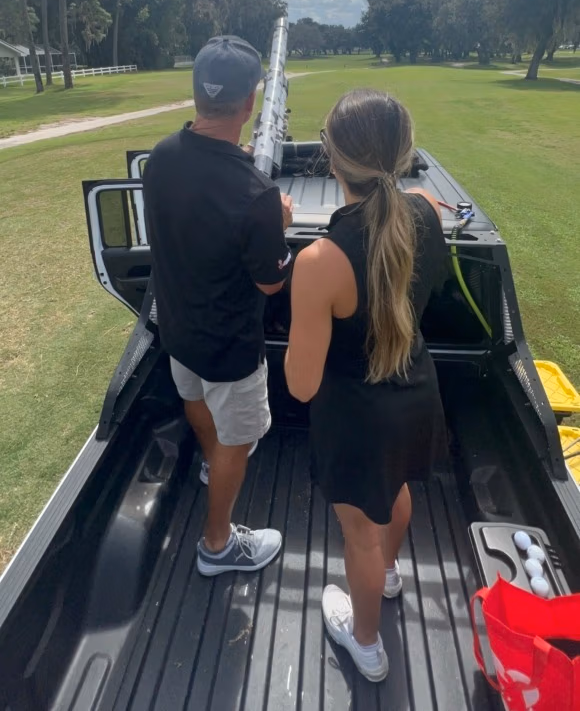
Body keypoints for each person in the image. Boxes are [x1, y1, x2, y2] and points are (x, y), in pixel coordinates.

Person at [284, 88, 447, 683]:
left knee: (360, 535)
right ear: (404, 152)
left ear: (332, 159)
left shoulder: (319, 262)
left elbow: (302, 387)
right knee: (395, 492)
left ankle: (367, 645)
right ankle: (389, 574)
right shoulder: (428, 209)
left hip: (357, 419)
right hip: (417, 395)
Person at [144, 35, 293, 577]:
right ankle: (217, 546)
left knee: (198, 403)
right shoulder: (256, 194)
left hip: (178, 332)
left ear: (196, 94)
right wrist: (278, 224)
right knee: (241, 436)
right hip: (229, 348)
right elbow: (272, 285)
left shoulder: (160, 158)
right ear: (250, 103)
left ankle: (212, 466)